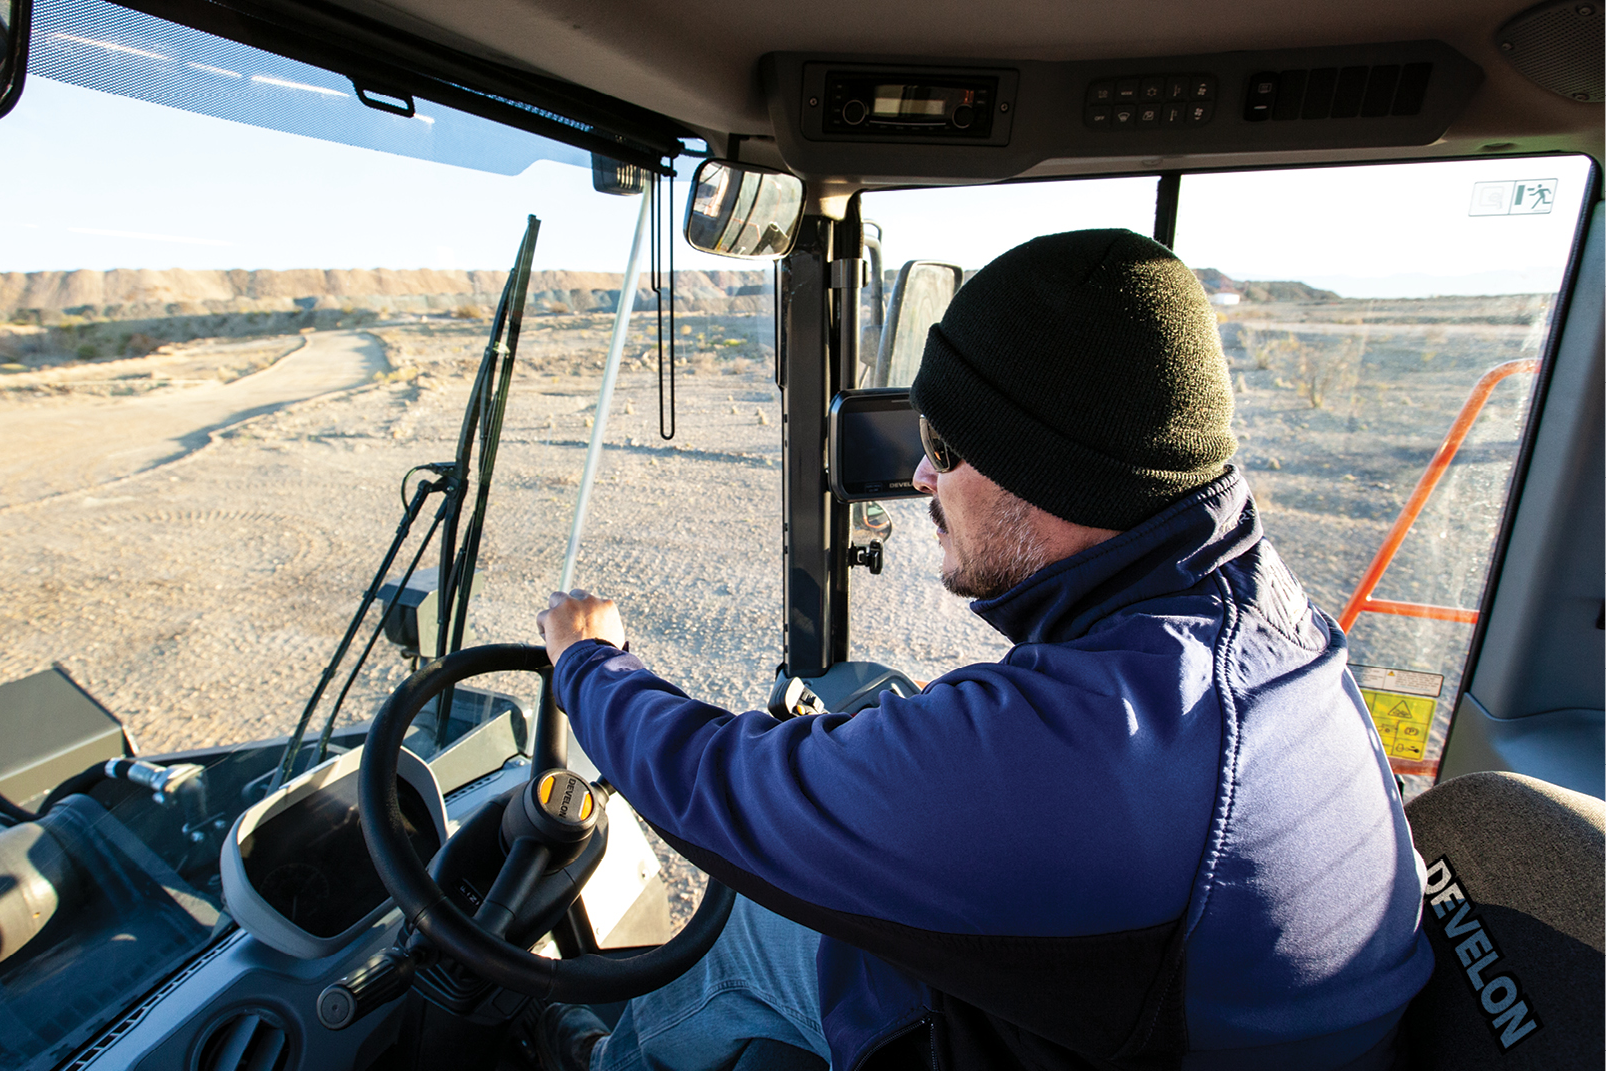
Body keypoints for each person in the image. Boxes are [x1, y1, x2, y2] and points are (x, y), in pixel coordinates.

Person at [529, 229, 1434, 1071]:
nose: (921, 475)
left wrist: (590, 663)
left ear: (1049, 470)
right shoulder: (1254, 613)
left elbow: (727, 787)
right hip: (1184, 1025)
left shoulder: (1102, 739)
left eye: (945, 445)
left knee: (763, 933)